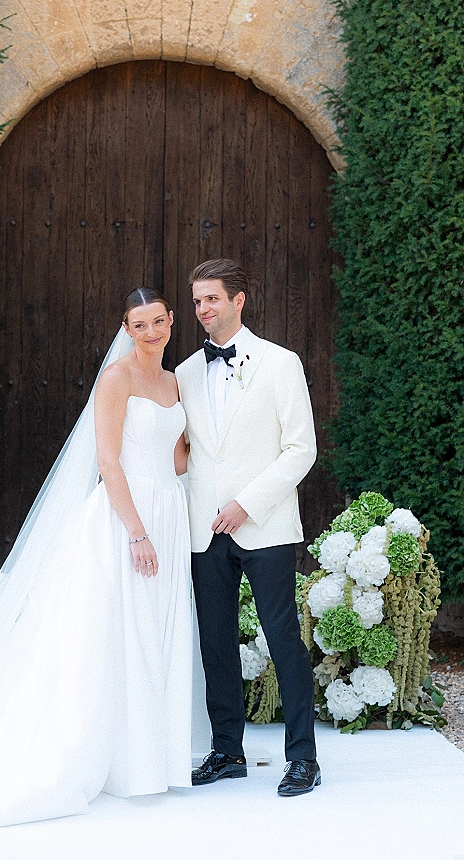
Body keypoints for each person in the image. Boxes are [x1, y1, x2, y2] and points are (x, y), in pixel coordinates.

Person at [0, 288, 194, 831]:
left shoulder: (174, 382)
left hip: (169, 511)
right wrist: (138, 532)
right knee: (119, 635)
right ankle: (109, 759)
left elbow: (178, 456)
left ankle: (147, 759)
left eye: (159, 321)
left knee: (155, 632)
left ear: (171, 322)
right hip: (128, 520)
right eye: (139, 324)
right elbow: (108, 460)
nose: (151, 332)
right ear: (126, 327)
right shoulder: (117, 378)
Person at [175, 259, 320, 797]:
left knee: (284, 641)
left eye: (212, 298)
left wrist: (245, 504)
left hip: (266, 527)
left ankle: (303, 758)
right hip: (204, 531)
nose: (203, 309)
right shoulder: (186, 372)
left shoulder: (281, 364)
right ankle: (225, 750)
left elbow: (300, 450)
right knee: (216, 643)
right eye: (196, 301)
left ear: (239, 301)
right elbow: (187, 450)